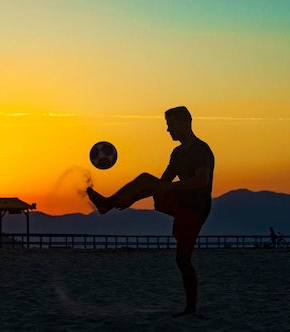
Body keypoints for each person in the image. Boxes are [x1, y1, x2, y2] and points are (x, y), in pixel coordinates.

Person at [86, 106, 214, 317]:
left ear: (184, 123)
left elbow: (202, 180)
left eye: (171, 125)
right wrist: (132, 197)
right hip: (181, 202)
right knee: (147, 180)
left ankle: (191, 308)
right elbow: (161, 183)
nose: (168, 130)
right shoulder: (177, 153)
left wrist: (169, 188)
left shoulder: (201, 150)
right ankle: (109, 203)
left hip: (195, 208)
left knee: (182, 259)